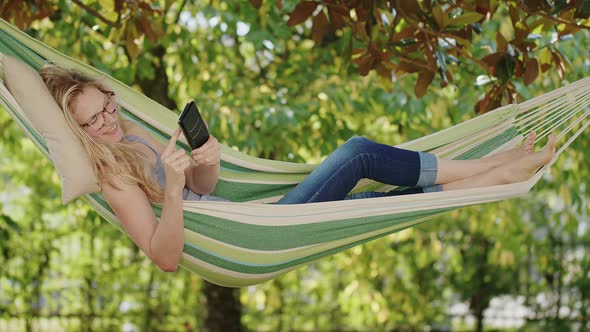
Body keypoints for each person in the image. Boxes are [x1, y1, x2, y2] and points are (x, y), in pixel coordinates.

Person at [39, 65, 557, 272]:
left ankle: (492, 176)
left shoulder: (132, 132)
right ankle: (488, 165)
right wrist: (174, 190)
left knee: (373, 203)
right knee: (358, 154)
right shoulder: (112, 178)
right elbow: (165, 257)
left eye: (108, 104)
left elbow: (202, 188)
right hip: (251, 239)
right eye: (95, 121)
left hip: (245, 218)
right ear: (80, 133)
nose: (110, 119)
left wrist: (206, 164)